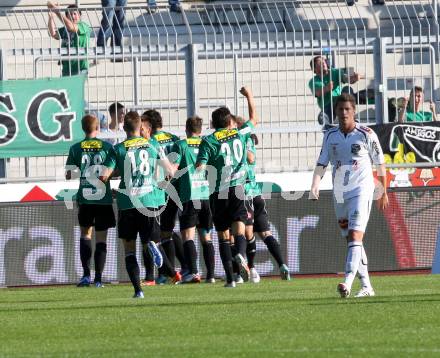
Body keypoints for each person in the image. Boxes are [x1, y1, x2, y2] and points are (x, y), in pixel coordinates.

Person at [309, 93, 389, 298]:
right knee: (352, 240)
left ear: (354, 111)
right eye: (340, 109)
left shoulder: (366, 134)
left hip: (362, 190)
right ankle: (367, 286)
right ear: (335, 112)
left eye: (347, 109)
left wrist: (383, 191)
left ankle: (347, 282)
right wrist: (315, 185)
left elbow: (380, 163)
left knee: (355, 235)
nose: (344, 113)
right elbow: (322, 162)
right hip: (340, 194)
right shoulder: (330, 135)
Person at [100, 111, 176, 298]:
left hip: (127, 203)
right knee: (152, 240)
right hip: (149, 201)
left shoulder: (117, 149)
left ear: (124, 128)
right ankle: (154, 247)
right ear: (139, 127)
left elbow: (103, 176)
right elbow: (170, 172)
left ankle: (138, 290)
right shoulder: (152, 144)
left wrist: (115, 177)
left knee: (129, 249)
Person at [195, 97, 257, 288]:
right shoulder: (239, 133)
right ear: (229, 122)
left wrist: (203, 168)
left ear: (213, 124)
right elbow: (254, 120)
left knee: (222, 234)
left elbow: (200, 166)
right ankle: (240, 253)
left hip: (218, 191)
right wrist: (249, 96)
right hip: (238, 187)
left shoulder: (208, 141)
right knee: (239, 225)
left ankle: (231, 279)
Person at [232, 88, 291, 283]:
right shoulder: (246, 137)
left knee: (246, 233)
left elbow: (249, 157)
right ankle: (282, 264)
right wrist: (249, 96)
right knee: (264, 233)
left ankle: (250, 269)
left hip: (246, 193)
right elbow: (254, 118)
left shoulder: (240, 139)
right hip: (255, 192)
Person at [65, 114, 115, 288]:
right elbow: (112, 170)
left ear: (83, 128)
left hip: (85, 198)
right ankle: (99, 279)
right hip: (103, 198)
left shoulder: (75, 148)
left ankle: (86, 275)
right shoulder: (108, 147)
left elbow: (69, 174)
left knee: (85, 235)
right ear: (98, 128)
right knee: (101, 239)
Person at [142, 109, 186, 284]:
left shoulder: (149, 142)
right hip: (174, 188)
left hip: (158, 189)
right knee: (167, 231)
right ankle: (184, 267)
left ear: (149, 126)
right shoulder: (174, 138)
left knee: (157, 234)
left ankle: (163, 273)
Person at [171, 116, 216, 284]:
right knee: (206, 236)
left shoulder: (181, 145)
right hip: (206, 196)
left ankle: (194, 272)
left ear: (186, 128)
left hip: (190, 196)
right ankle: (210, 276)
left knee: (188, 236)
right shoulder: (207, 144)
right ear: (201, 129)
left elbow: (173, 171)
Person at [309, 56, 371, 126]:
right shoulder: (313, 81)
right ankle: (329, 134)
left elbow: (347, 79)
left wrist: (354, 78)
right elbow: (317, 93)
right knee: (322, 117)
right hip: (329, 106)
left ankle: (352, 118)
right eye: (320, 62)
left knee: (347, 89)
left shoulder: (335, 72)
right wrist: (326, 88)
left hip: (341, 102)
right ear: (314, 69)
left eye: (324, 61)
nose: (323, 63)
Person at [47, 2, 91, 77]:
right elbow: (53, 34)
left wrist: (57, 11)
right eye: (70, 14)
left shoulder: (83, 26)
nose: (73, 16)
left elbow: (71, 27)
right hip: (66, 69)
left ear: (79, 15)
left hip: (80, 68)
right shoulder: (65, 29)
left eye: (75, 14)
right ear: (67, 17)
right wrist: (51, 18)